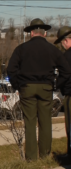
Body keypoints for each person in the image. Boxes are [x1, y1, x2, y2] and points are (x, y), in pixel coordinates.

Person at [7, 18, 71, 161]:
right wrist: (56, 84)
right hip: (46, 87)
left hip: (27, 88)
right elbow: (66, 70)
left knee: (30, 122)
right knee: (45, 122)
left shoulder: (21, 49)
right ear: (45, 33)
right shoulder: (52, 50)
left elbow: (11, 70)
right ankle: (45, 155)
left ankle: (31, 158)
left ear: (31, 33)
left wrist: (18, 85)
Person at [54, 26, 71, 160]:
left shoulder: (66, 56)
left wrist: (56, 85)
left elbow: (64, 76)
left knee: (70, 126)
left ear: (66, 41)